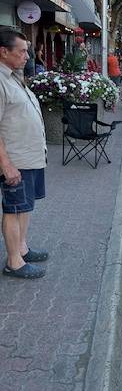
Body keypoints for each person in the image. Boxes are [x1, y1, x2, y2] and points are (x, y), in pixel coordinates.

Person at [0, 28, 48, 279]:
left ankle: (22, 248)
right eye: (21, 51)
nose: (27, 56)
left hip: (30, 157)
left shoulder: (14, 76)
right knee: (13, 208)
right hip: (15, 160)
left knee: (24, 207)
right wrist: (6, 165)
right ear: (4, 52)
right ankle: (14, 262)